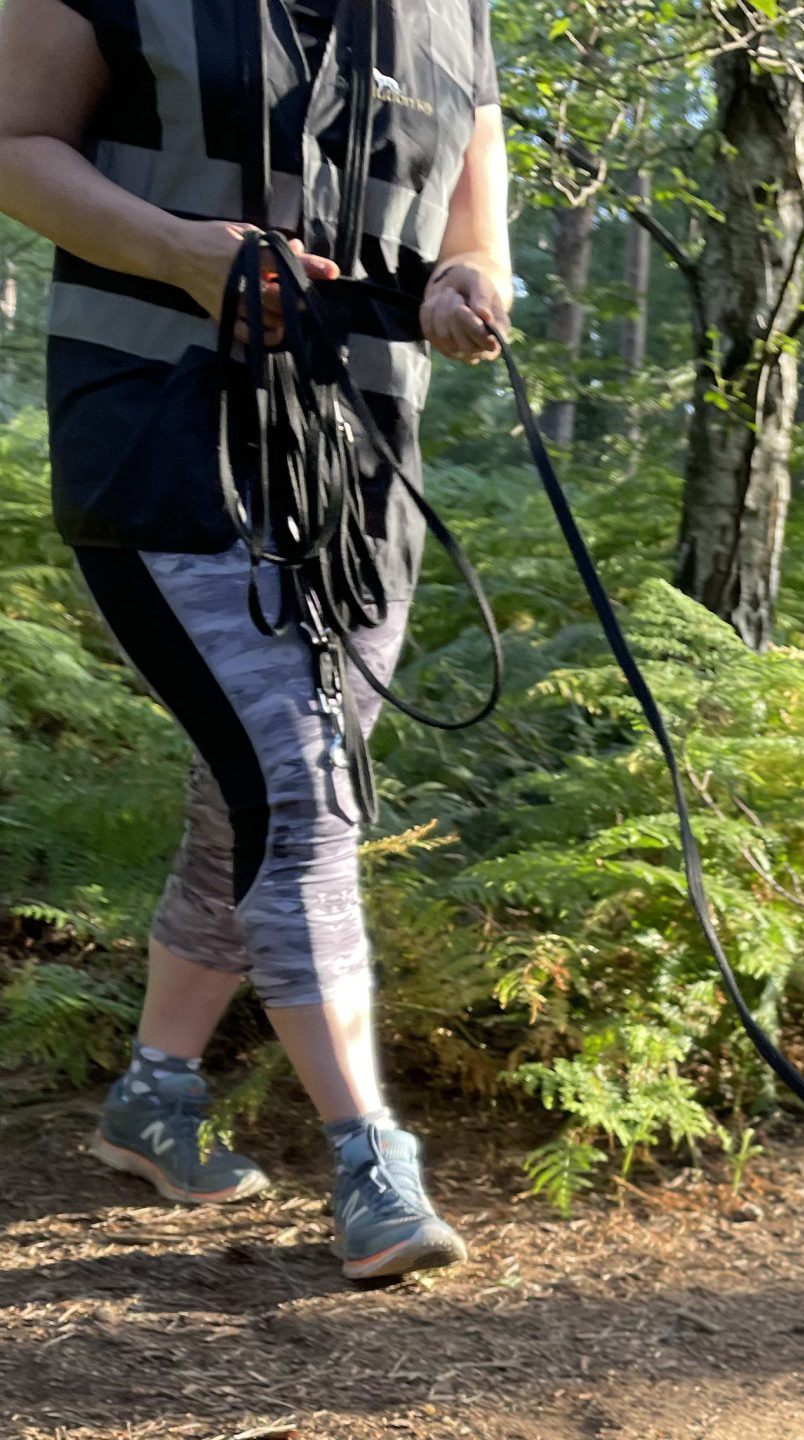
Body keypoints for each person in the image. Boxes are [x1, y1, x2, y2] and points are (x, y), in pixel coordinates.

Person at [0, 0, 512, 1279]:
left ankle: (155, 1093)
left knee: (253, 801)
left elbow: (473, 230)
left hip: (361, 474)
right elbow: (12, 141)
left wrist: (466, 287)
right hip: (158, 438)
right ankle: (370, 1156)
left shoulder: (454, 14)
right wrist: (176, 250)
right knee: (299, 787)